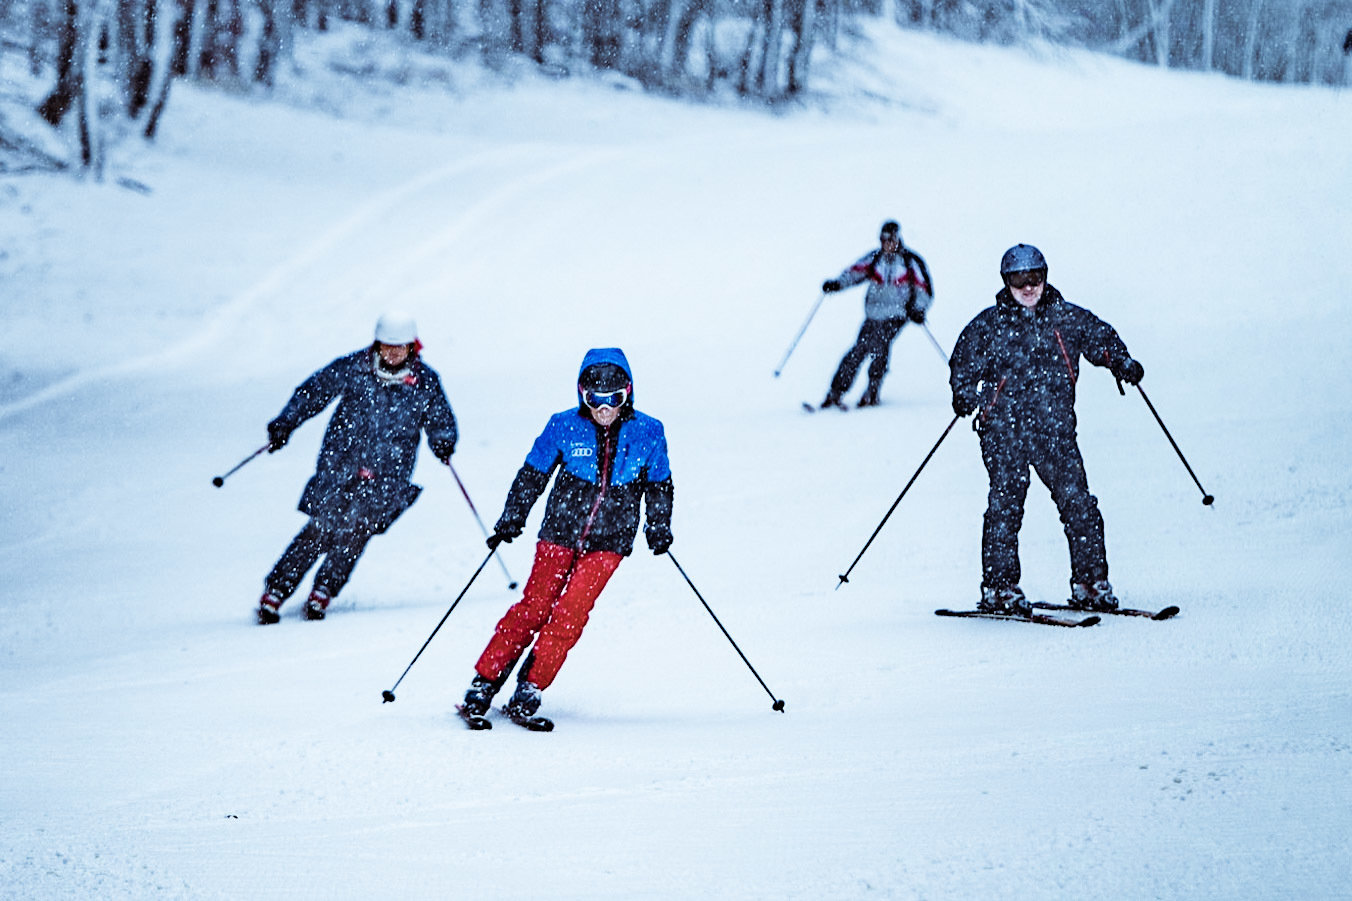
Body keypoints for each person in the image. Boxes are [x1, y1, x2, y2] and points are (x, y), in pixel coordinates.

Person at [460, 347, 673, 721]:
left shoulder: (649, 431)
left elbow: (659, 483)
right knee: (535, 606)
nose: (604, 409)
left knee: (571, 612)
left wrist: (658, 526)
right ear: (581, 394)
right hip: (560, 532)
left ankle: (531, 686)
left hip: (610, 540)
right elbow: (532, 475)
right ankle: (485, 681)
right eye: (595, 399)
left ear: (629, 393)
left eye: (614, 399)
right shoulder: (563, 425)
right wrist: (512, 517)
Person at [948, 244, 1144, 616]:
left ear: (1045, 277)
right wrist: (963, 393)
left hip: (1054, 429)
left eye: (1034, 278)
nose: (1028, 288)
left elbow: (1100, 338)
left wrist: (1122, 363)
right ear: (1006, 282)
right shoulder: (990, 325)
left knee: (1078, 503)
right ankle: (999, 587)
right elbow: (963, 361)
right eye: (1019, 280)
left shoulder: (1066, 318)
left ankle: (1090, 583)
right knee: (1006, 506)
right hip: (1003, 431)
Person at [255, 312, 457, 624]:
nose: (392, 353)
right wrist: (286, 423)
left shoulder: (425, 381)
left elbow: (440, 416)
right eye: (386, 346)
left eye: (399, 347)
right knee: (320, 528)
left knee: (355, 533)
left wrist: (443, 441)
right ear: (377, 344)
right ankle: (277, 590)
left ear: (412, 347)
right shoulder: (354, 368)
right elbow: (313, 392)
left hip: (389, 473)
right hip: (342, 464)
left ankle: (325, 589)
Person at [819, 219, 934, 409]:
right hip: (874, 313)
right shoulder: (875, 259)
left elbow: (925, 290)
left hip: (897, 314)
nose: (888, 243)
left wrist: (918, 310)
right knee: (858, 350)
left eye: (891, 239)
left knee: (879, 344)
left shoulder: (910, 262)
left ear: (898, 238)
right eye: (884, 239)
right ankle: (835, 393)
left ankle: (872, 390)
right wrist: (836, 284)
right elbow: (854, 273)